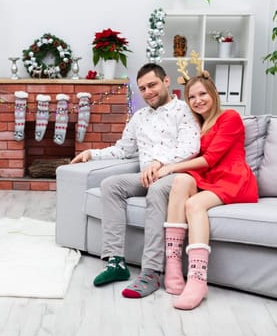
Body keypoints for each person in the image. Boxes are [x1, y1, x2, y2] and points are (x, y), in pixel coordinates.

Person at [70, 63, 200, 298]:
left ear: (166, 81)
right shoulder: (139, 117)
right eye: (143, 88)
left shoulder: (184, 110)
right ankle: (116, 263)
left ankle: (151, 272)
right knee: (111, 185)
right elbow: (123, 149)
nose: (148, 92)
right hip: (146, 176)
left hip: (177, 176)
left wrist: (159, 162)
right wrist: (92, 153)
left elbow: (191, 146)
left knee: (157, 190)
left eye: (152, 85)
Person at [158, 74, 258, 310]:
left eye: (202, 94)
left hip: (233, 178)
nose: (197, 100)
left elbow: (210, 159)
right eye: (191, 97)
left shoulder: (229, 117)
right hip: (209, 179)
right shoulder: (196, 126)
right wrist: (159, 162)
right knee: (181, 181)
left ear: (213, 93)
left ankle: (197, 279)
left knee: (194, 205)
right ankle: (172, 265)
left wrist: (170, 167)